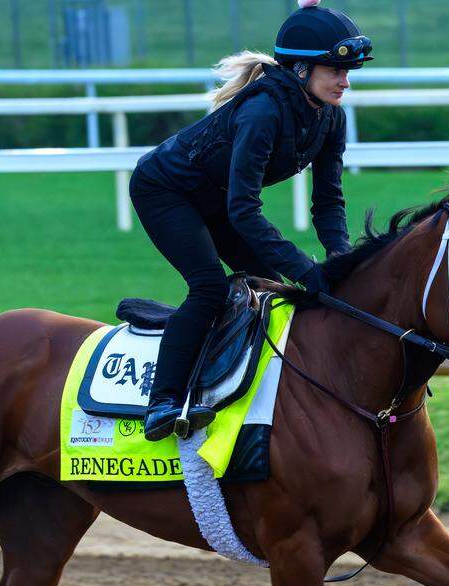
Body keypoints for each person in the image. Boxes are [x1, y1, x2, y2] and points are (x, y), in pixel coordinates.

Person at [129, 0, 373, 441]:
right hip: (165, 192)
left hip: (217, 198)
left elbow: (328, 201)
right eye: (335, 71)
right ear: (300, 70)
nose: (345, 81)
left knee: (266, 288)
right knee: (208, 287)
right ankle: (162, 402)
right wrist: (305, 268)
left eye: (348, 71)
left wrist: (340, 261)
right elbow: (244, 209)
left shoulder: (331, 118)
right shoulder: (263, 112)